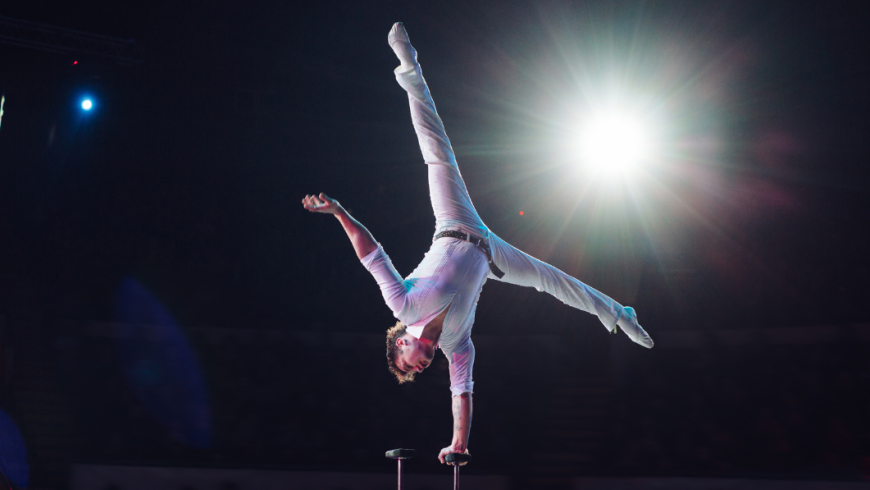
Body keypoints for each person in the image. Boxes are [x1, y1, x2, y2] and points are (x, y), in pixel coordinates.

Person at [302, 22, 653, 465]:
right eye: (420, 372)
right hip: (492, 256)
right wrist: (459, 443)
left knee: (436, 151)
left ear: (400, 344)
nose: (422, 366)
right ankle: (619, 312)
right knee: (552, 280)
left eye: (412, 363)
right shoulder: (457, 344)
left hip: (454, 221)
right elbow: (461, 394)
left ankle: (409, 70)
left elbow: (371, 253)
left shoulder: (403, 305)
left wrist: (339, 213)